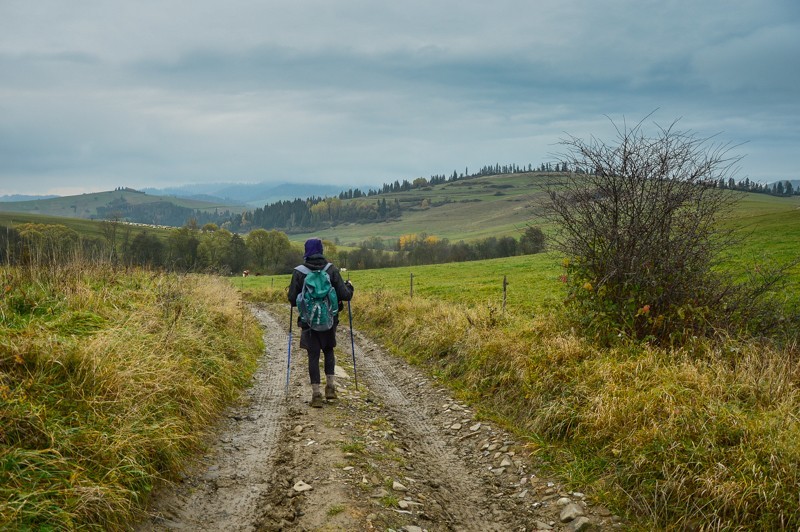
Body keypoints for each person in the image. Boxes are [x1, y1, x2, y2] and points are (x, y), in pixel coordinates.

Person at [288, 238, 354, 407]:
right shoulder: (331, 270)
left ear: (306, 251)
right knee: (329, 350)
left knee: (313, 355)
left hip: (308, 322)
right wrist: (350, 286)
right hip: (329, 320)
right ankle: (331, 388)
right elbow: (345, 296)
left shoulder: (299, 272)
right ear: (321, 250)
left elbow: (292, 300)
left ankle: (316, 395)